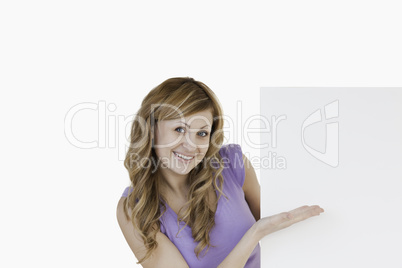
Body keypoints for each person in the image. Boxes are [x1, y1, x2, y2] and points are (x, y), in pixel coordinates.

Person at [116, 77, 324, 268]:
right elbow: (262, 228)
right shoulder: (135, 210)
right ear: (151, 130)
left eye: (202, 133)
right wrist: (254, 234)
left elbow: (282, 230)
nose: (191, 146)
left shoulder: (232, 165)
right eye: (179, 129)